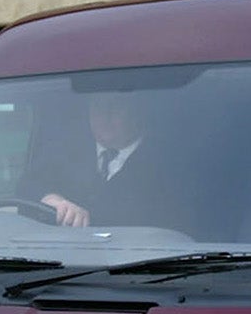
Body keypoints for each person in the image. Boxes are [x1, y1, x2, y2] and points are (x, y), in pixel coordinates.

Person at [33, 91, 173, 229]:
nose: (104, 115)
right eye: (97, 106)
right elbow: (27, 187)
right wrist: (51, 198)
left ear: (138, 111)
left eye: (116, 106)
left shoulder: (168, 166)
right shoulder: (65, 153)